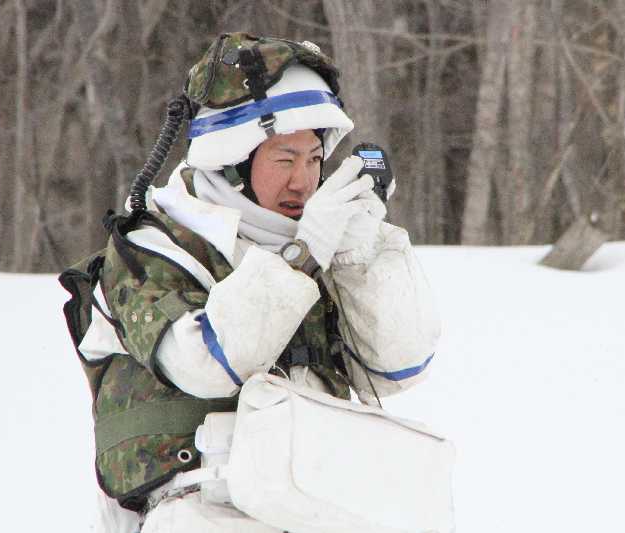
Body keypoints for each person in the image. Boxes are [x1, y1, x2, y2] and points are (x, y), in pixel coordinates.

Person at [61, 32, 440, 533]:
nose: (303, 181)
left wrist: (355, 253)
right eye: (285, 160)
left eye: (313, 159)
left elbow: (401, 366)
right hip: (196, 510)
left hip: (315, 503)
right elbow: (204, 361)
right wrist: (300, 256)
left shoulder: (322, 234)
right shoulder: (153, 246)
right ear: (233, 162)